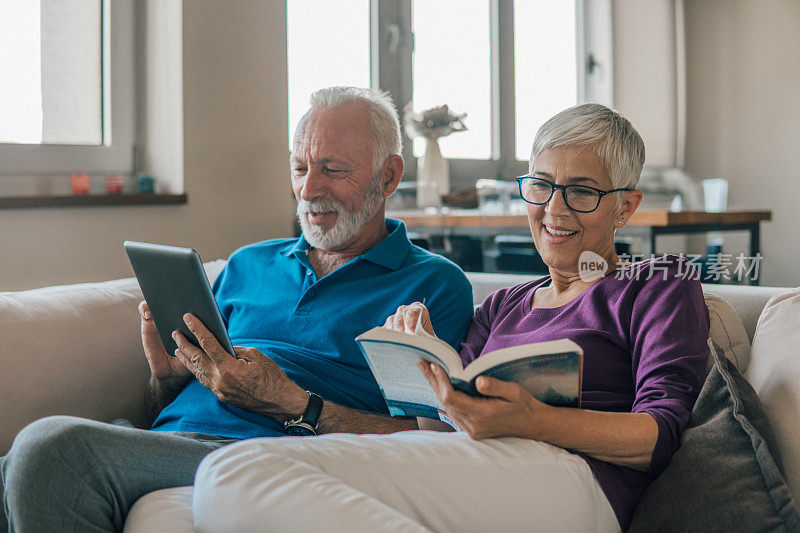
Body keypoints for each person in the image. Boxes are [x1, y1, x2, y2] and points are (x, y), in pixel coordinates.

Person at [190, 103, 711, 532]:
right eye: (541, 185)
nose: (555, 208)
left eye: (582, 191)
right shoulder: (504, 305)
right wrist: (418, 359)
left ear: (626, 206)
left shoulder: (659, 281)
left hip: (577, 480)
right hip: (470, 465)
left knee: (235, 473)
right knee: (185, 503)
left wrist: (533, 419)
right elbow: (433, 425)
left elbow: (659, 435)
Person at [0, 87, 474, 532]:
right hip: (167, 442)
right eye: (299, 167)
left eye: (332, 169)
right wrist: (168, 377)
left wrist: (287, 400)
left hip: (263, 457)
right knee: (16, 464)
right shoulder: (250, 262)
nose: (309, 189)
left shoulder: (434, 285)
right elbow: (171, 409)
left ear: (389, 174)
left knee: (52, 450)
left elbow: (422, 439)